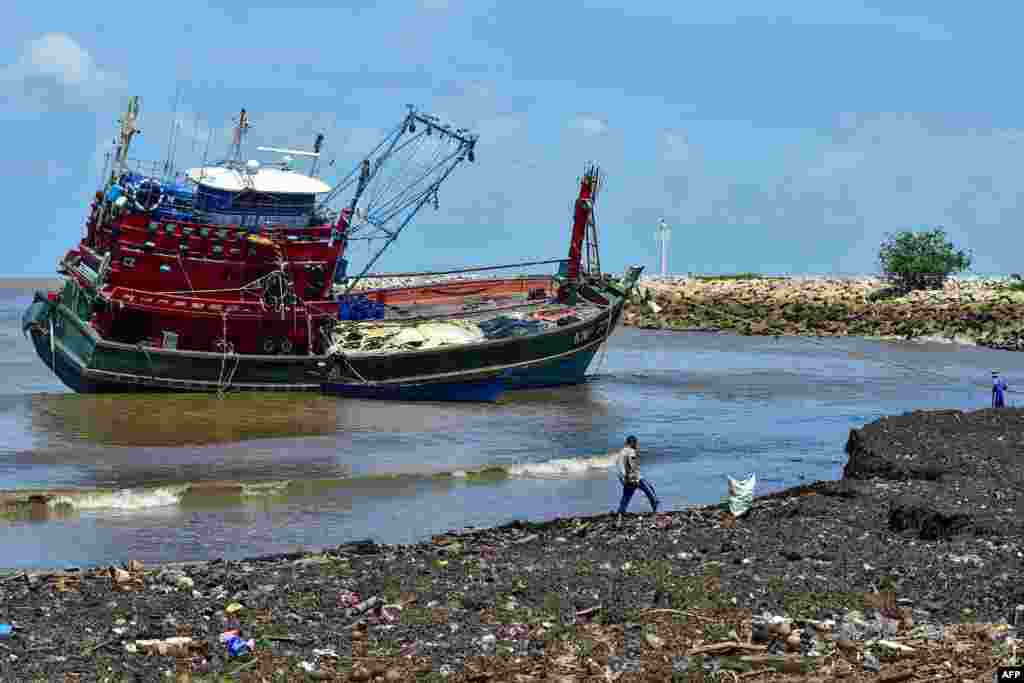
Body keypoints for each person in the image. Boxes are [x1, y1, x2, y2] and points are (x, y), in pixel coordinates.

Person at [615, 435, 659, 525]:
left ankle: (619, 518)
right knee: (650, 491)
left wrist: (625, 478)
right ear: (632, 443)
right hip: (633, 477)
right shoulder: (631, 451)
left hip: (624, 479)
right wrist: (637, 476)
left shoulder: (621, 452)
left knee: (625, 498)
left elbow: (620, 467)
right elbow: (632, 464)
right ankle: (656, 512)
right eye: (636, 443)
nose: (637, 445)